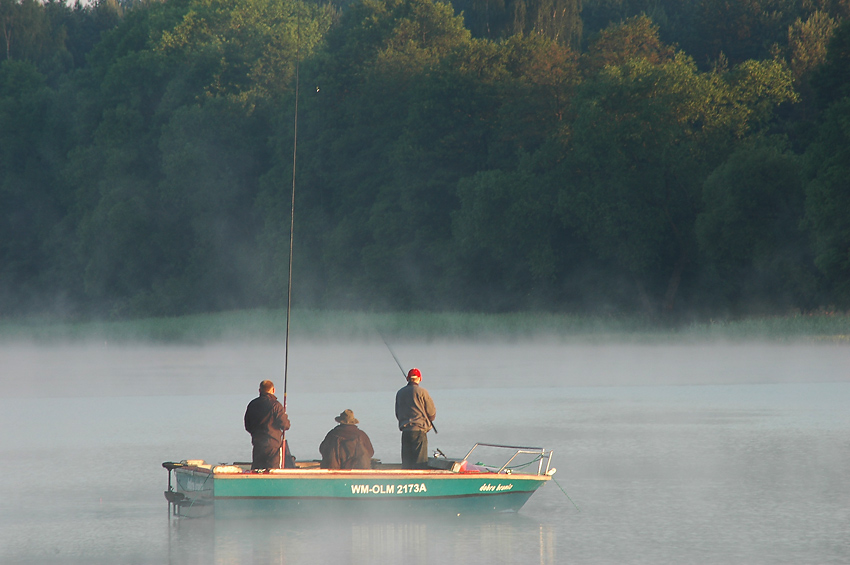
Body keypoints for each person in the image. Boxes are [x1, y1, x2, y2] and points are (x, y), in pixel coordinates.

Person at [244, 380, 295, 469]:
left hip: (258, 444)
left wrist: (255, 433)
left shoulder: (252, 404)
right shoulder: (276, 405)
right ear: (273, 390)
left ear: (259, 390)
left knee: (257, 471)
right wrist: (286, 418)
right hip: (273, 445)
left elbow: (247, 425)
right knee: (273, 471)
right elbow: (285, 425)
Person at [395, 367, 436, 469]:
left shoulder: (400, 393)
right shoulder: (423, 392)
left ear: (407, 379)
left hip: (405, 431)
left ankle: (407, 482)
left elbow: (397, 413)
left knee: (407, 464)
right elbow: (432, 414)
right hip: (419, 432)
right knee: (420, 464)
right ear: (419, 379)